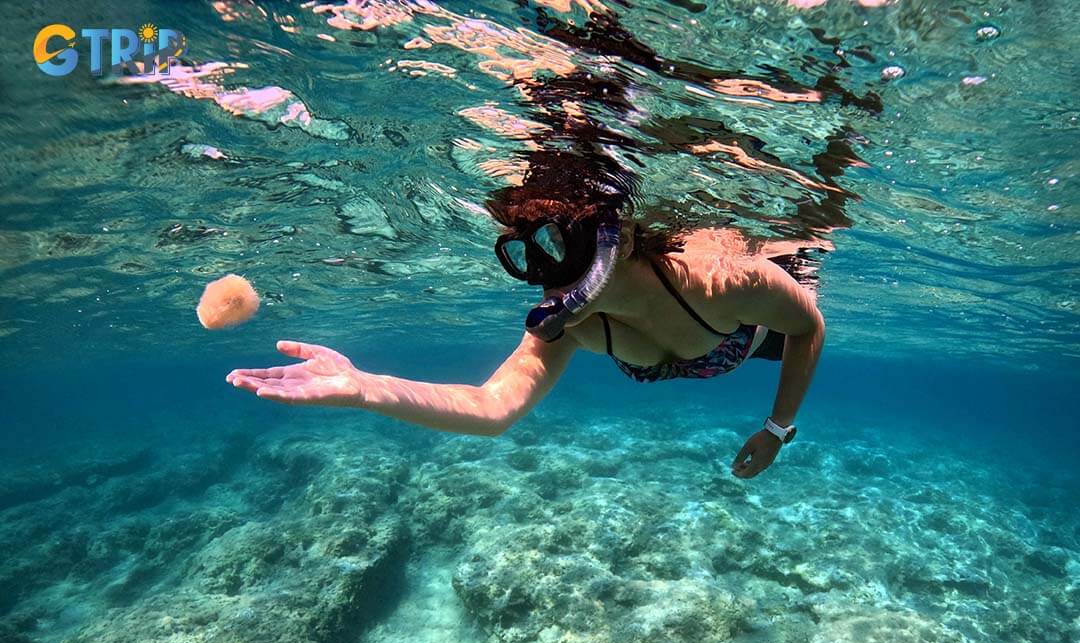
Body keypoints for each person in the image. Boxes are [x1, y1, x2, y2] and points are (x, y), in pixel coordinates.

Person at [227, 155, 825, 479]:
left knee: (823, 197)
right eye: (526, 252)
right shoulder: (570, 325)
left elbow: (808, 328)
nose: (548, 269)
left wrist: (777, 429)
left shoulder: (728, 280)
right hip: (697, 349)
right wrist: (366, 389)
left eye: (562, 242)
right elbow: (492, 408)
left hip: (752, 337)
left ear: (618, 232)